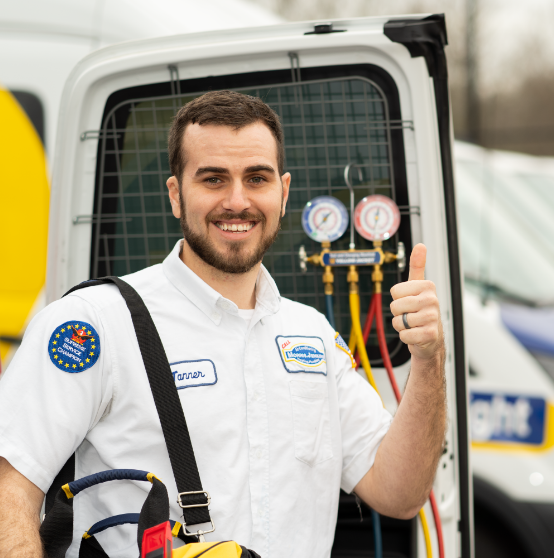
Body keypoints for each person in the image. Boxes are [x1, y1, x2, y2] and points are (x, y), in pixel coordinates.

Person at [0, 91, 446, 558]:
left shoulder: (312, 335)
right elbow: (10, 487)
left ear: (283, 191)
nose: (237, 201)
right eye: (213, 179)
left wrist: (429, 359)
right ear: (175, 194)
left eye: (257, 178)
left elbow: (399, 493)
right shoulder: (94, 323)